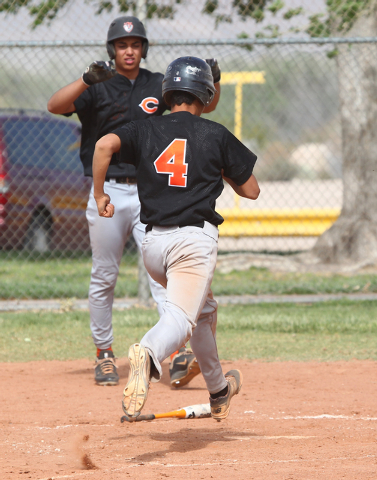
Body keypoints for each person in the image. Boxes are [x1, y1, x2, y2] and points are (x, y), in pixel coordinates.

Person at [47, 16, 221, 387]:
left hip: (149, 193)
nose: (130, 50)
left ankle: (173, 352)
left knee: (165, 276)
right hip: (107, 189)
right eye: (123, 45)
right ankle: (104, 354)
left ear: (144, 48)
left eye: (136, 44)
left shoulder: (158, 84)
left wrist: (213, 81)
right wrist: (85, 79)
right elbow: (53, 105)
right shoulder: (98, 84)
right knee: (104, 274)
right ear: (113, 49)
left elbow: (202, 108)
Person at [92, 56, 260, 421]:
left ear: (168, 92)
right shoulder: (214, 133)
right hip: (191, 244)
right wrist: (222, 167)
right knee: (182, 319)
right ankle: (148, 353)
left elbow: (104, 145)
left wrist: (100, 194)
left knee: (203, 312)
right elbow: (251, 191)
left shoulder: (145, 128)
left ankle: (218, 391)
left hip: (153, 247)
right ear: (206, 93)